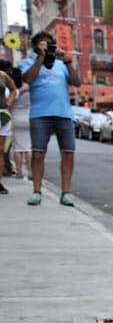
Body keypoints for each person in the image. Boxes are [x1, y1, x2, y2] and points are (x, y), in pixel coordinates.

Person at [20, 31, 82, 206]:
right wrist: (40, 58)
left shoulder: (61, 64)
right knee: (38, 153)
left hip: (64, 114)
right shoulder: (28, 62)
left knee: (68, 153)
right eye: (42, 43)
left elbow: (77, 82)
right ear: (35, 46)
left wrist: (67, 61)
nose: (46, 46)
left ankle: (66, 193)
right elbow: (28, 79)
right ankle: (37, 191)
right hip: (40, 114)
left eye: (49, 44)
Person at [0, 62, 18, 194]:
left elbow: (13, 89)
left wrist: (9, 102)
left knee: (0, 150)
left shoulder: (2, 75)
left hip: (2, 115)